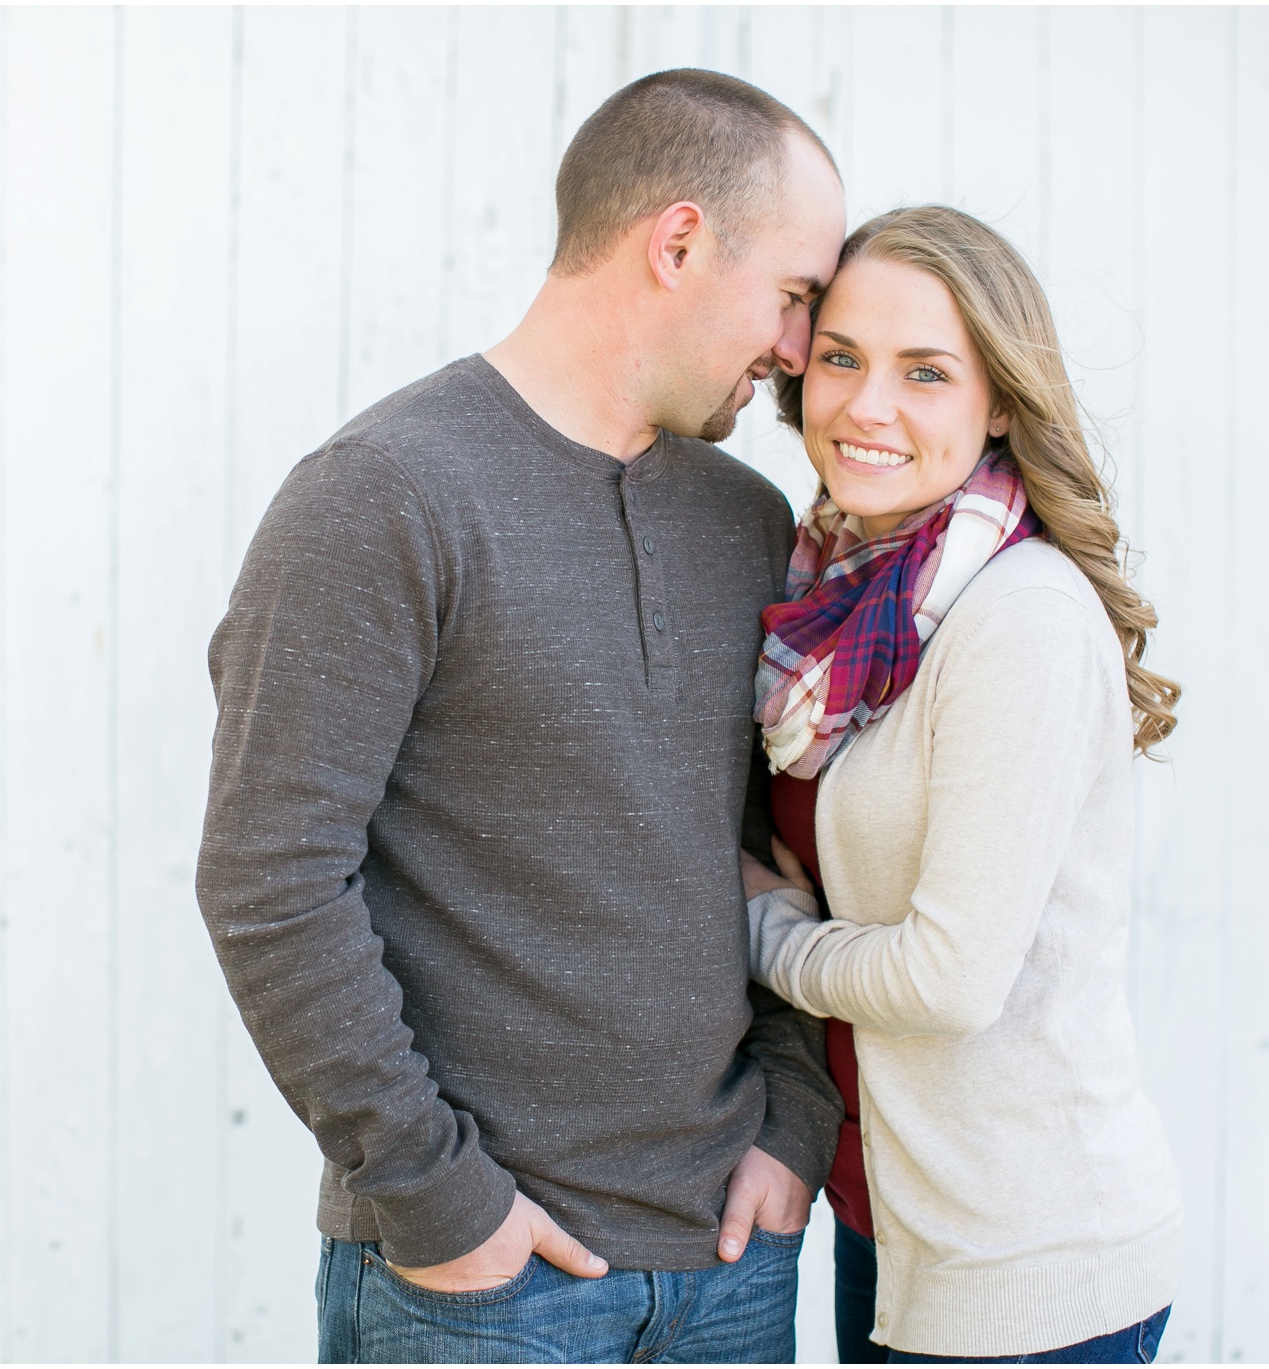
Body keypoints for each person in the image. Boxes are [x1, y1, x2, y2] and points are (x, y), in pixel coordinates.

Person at [197, 69, 847, 1363]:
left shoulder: (750, 521)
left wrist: (793, 1116)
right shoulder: (382, 496)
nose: (795, 351)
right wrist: (439, 1200)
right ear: (678, 242)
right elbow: (270, 879)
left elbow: (763, 850)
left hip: (729, 1264)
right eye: (792, 296)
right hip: (484, 1287)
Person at [740, 205, 1184, 1364]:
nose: (865, 405)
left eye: (924, 373)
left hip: (1021, 1260)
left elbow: (945, 979)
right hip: (883, 1221)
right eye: (839, 357)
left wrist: (762, 929)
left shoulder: (1014, 616)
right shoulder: (829, 586)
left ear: (997, 401)